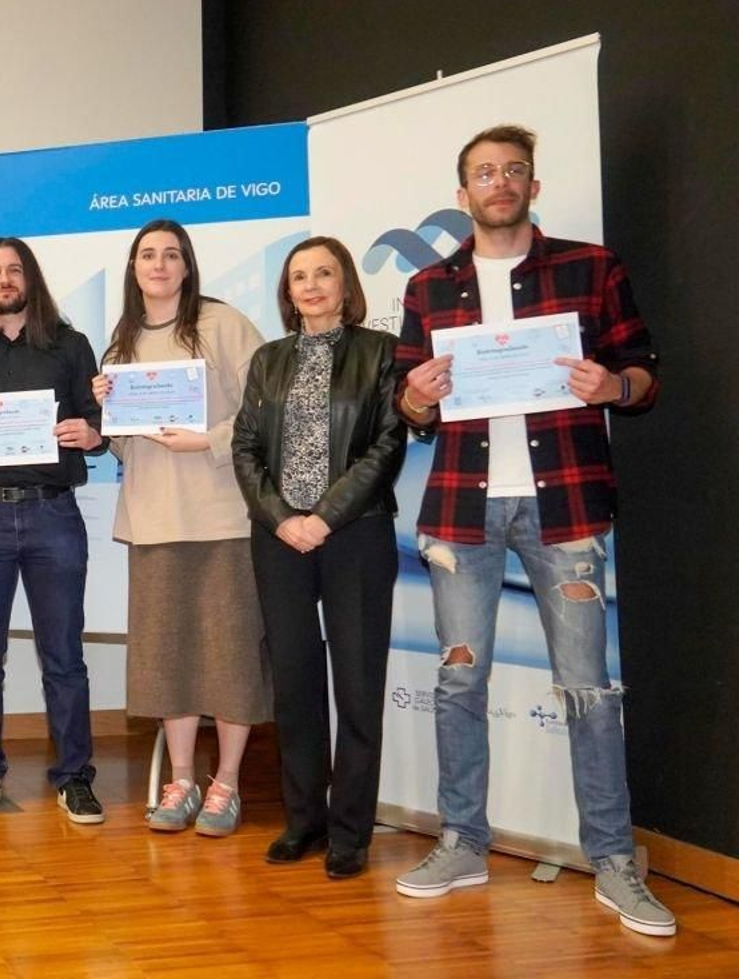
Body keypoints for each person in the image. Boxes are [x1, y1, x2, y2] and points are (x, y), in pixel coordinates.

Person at [391, 125, 673, 936]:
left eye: (514, 170)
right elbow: (410, 409)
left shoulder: (591, 267)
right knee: (456, 684)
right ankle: (463, 842)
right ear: (463, 193)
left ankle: (615, 860)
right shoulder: (428, 287)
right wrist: (418, 393)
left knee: (589, 690)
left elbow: (644, 371)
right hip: (461, 512)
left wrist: (612, 382)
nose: (500, 181)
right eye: (485, 171)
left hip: (568, 510)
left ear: (533, 187)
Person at [231, 237, 405, 878]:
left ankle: (351, 832)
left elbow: (388, 444)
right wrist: (284, 520)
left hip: (355, 534)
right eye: (298, 276)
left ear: (345, 283)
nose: (310, 285)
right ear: (287, 291)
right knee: (297, 685)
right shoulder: (268, 359)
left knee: (358, 686)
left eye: (323, 273)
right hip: (279, 541)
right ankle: (304, 820)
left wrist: (325, 517)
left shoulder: (380, 352)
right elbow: (245, 449)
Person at [92, 217, 272, 836]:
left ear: (188, 265)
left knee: (229, 658)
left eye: (172, 255)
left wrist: (209, 441)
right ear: (134, 268)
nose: (160, 265)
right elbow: (123, 448)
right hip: (153, 521)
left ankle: (227, 785)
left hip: (223, 517)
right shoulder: (120, 344)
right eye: (148, 255)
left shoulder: (223, 324)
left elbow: (265, 411)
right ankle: (183, 780)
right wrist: (110, 416)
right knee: (167, 658)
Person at [0, 236, 106, 824]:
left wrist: (94, 434)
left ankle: (75, 778)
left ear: (30, 278)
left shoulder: (69, 344)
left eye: (13, 270)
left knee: (65, 658)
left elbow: (101, 414)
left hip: (53, 513)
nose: (4, 280)